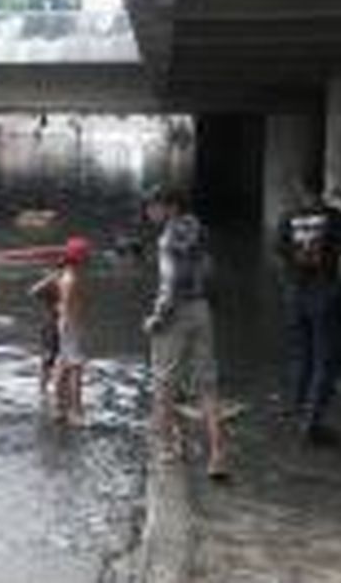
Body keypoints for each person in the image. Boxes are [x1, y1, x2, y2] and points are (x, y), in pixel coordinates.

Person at [143, 186, 228, 480]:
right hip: (203, 309)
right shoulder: (199, 229)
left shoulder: (167, 238)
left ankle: (167, 448)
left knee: (164, 381)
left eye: (153, 206)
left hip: (177, 311)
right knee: (207, 383)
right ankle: (217, 455)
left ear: (171, 207)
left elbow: (171, 281)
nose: (149, 212)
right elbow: (211, 269)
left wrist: (157, 317)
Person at [275, 179, 341, 446]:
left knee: (302, 354)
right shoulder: (338, 218)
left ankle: (299, 410)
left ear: (300, 190)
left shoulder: (287, 218)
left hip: (296, 294)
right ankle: (312, 422)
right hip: (326, 292)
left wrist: (289, 289)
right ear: (324, 190)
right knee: (328, 358)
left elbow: (280, 256)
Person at [53, 236, 92, 425]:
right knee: (76, 368)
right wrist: (73, 326)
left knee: (63, 364)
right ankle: (76, 412)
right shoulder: (71, 279)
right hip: (71, 326)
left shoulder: (64, 276)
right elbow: (68, 307)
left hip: (66, 324)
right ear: (80, 258)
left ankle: (59, 407)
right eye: (86, 256)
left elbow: (63, 306)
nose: (88, 259)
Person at [29, 263, 63, 397]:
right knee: (48, 358)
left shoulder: (67, 283)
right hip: (51, 325)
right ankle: (43, 389)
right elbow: (33, 292)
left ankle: (51, 387)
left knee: (57, 358)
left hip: (61, 325)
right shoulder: (52, 284)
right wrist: (50, 278)